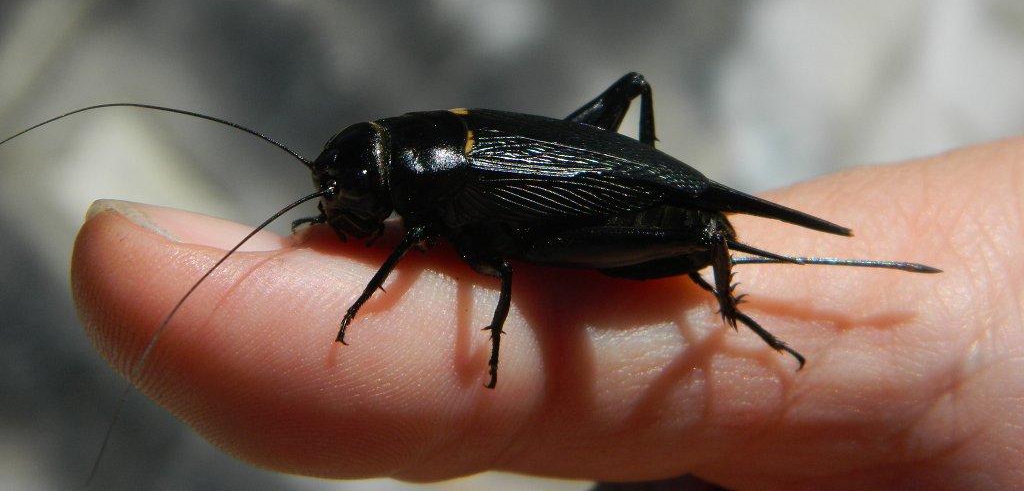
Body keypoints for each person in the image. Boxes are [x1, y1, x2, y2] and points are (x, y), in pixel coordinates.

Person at [72, 138, 1021, 489]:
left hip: (608, 217)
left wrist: (466, 333)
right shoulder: (420, 168)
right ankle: (725, 273)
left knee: (526, 254)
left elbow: (493, 264)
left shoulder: (435, 204)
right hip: (570, 214)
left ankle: (732, 301)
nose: (346, 212)